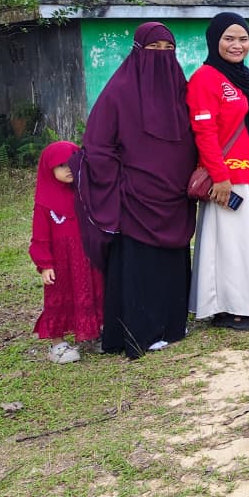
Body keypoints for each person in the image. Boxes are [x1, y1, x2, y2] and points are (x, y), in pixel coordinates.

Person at [72, 22, 197, 358]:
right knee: (140, 266)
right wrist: (122, 180)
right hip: (136, 198)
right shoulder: (119, 92)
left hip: (175, 193)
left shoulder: (180, 90)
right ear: (138, 52)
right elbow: (97, 145)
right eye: (153, 49)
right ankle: (139, 331)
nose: (162, 57)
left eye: (168, 51)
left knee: (171, 262)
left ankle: (173, 324)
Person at [187, 12, 249, 331]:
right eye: (229, 38)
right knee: (230, 246)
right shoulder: (205, 77)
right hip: (228, 180)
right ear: (214, 41)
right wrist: (220, 176)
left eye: (243, 38)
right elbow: (204, 132)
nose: (237, 45)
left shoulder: (245, 78)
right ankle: (232, 307)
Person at [31, 141, 103, 364]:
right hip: (61, 263)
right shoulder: (45, 203)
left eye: (72, 162)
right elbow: (40, 237)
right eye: (61, 165)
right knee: (59, 298)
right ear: (48, 169)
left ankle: (93, 335)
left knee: (92, 292)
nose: (68, 169)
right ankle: (57, 344)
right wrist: (45, 264)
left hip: (87, 257)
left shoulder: (85, 192)